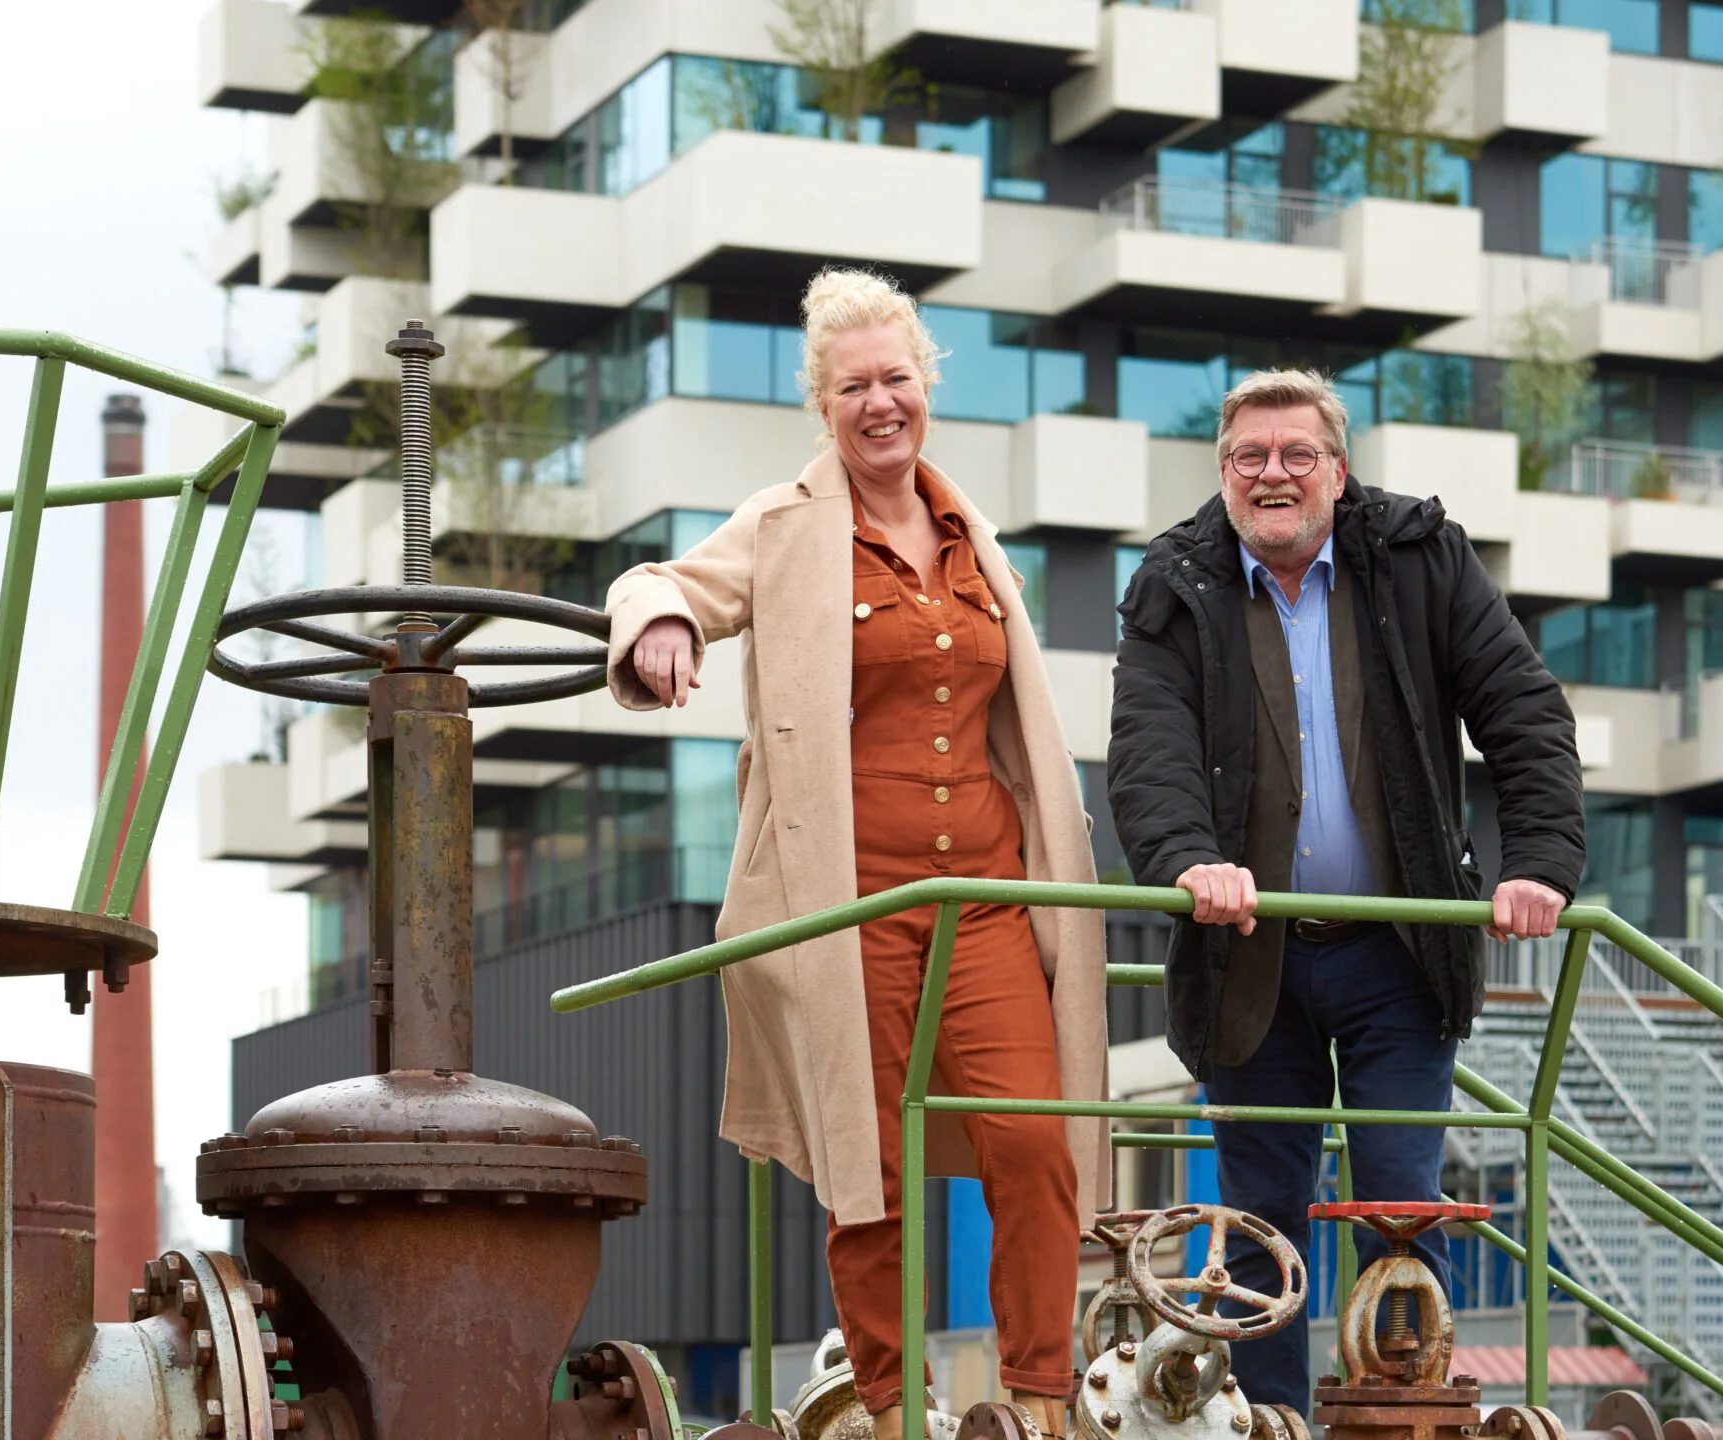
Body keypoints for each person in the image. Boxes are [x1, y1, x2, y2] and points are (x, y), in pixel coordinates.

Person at [605, 268, 1108, 1440]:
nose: (879, 404)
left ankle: (1037, 1404)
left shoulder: (973, 536)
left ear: (925, 385)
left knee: (1034, 1139)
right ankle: (890, 1413)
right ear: (819, 405)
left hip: (983, 899)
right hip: (850, 907)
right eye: (852, 387)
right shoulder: (783, 528)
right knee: (862, 1164)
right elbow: (656, 581)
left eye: (896, 379)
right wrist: (667, 625)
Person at [1107, 369, 1584, 1412]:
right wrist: (1191, 860)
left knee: (1398, 1205)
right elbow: (1148, 756)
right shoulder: (1173, 584)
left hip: (1395, 955)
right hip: (1248, 956)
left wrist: (1539, 862)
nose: (1271, 475)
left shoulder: (1418, 558)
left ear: (1338, 469)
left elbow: (1523, 709)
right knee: (1259, 1226)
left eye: (1295, 456)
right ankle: (1271, 1429)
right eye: (1249, 458)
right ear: (1224, 473)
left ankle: (1403, 1425)